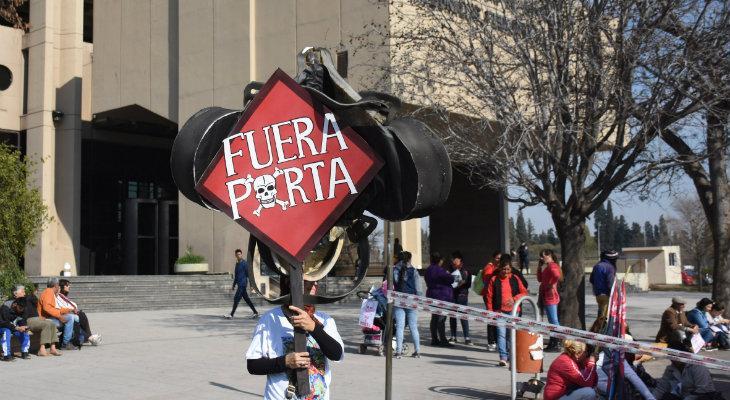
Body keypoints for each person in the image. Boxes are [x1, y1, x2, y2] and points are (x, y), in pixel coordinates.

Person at [246, 304, 344, 400]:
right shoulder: (269, 318)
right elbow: (253, 365)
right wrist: (285, 362)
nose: (313, 289)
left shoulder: (325, 319)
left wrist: (314, 328)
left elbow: (336, 355)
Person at [486, 254, 528, 366]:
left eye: (508, 269)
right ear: (499, 268)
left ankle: (510, 355)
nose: (506, 272)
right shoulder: (494, 279)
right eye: (503, 269)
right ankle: (503, 357)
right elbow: (489, 297)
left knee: (511, 334)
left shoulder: (515, 278)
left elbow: (524, 292)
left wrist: (515, 299)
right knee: (501, 334)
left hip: (514, 311)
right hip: (499, 311)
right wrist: (490, 311)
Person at [652, 330, 720, 400]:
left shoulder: (697, 366)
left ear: (683, 354)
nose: (672, 359)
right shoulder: (670, 370)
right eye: (670, 355)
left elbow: (703, 390)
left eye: (675, 356)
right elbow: (661, 389)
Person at [6, 285, 60, 356]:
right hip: (28, 320)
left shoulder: (28, 298)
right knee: (46, 324)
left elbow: (37, 303)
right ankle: (42, 349)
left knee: (52, 323)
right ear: (15, 293)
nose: (25, 293)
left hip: (37, 318)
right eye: (22, 292)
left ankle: (53, 348)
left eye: (24, 291)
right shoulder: (14, 302)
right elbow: (16, 317)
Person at [393, 250, 422, 358]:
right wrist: (419, 299)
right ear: (410, 259)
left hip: (398, 299)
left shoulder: (395, 270)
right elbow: (418, 288)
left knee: (400, 327)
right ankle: (417, 351)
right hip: (412, 300)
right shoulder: (414, 271)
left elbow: (393, 283)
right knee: (413, 327)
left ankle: (398, 351)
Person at [38, 278, 80, 350]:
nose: (59, 287)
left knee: (73, 317)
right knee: (70, 318)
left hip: (51, 317)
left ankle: (69, 340)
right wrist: (59, 316)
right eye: (58, 285)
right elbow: (47, 308)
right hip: (45, 319)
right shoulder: (48, 292)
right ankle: (65, 343)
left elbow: (56, 309)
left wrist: (70, 310)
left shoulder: (50, 292)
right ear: (56, 285)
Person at [57, 279, 101, 346]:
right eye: (67, 285)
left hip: (68, 314)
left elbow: (71, 304)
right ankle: (89, 337)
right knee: (78, 317)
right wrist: (72, 309)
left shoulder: (63, 296)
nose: (69, 287)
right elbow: (62, 307)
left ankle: (89, 337)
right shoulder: (58, 296)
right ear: (61, 286)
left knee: (81, 314)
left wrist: (73, 309)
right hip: (62, 316)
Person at [424, 252, 454, 347]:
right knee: (441, 319)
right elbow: (451, 279)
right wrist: (449, 274)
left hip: (431, 295)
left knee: (434, 317)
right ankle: (443, 339)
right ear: (440, 261)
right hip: (442, 296)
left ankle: (434, 338)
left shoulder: (428, 270)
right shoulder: (441, 270)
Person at [537, 249, 562, 352]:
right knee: (551, 321)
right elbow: (540, 279)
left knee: (553, 320)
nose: (541, 258)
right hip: (546, 296)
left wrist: (551, 284)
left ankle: (557, 342)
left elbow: (557, 275)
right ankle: (553, 341)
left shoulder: (552, 266)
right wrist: (539, 267)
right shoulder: (547, 267)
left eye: (542, 256)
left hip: (551, 296)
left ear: (549, 256)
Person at [225, 249, 259, 319]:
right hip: (239, 284)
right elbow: (236, 276)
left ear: (241, 254)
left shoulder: (244, 264)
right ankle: (255, 312)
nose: (239, 256)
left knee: (236, 298)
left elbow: (249, 275)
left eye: (240, 254)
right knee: (246, 299)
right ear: (235, 255)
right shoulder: (237, 264)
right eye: (237, 254)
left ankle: (231, 314)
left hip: (243, 284)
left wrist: (251, 285)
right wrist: (233, 285)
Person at [448, 251, 472, 345]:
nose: (453, 261)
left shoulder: (466, 270)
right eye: (452, 260)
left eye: (454, 259)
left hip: (462, 296)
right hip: (452, 296)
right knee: (452, 316)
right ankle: (453, 336)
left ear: (460, 260)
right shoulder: (450, 269)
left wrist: (463, 283)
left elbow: (468, 284)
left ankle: (467, 337)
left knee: (463, 317)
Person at [481, 250, 502, 351]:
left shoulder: (498, 267)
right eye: (497, 258)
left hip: (496, 296)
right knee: (491, 318)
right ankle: (491, 341)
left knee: (497, 318)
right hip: (489, 296)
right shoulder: (489, 268)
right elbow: (488, 282)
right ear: (493, 258)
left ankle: (497, 341)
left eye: (500, 258)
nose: (499, 260)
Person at [589, 250, 618, 320]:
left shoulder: (597, 266)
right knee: (604, 317)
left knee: (601, 313)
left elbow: (591, 280)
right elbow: (610, 283)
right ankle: (602, 326)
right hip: (606, 295)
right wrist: (616, 293)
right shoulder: (610, 267)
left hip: (598, 295)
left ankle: (598, 325)